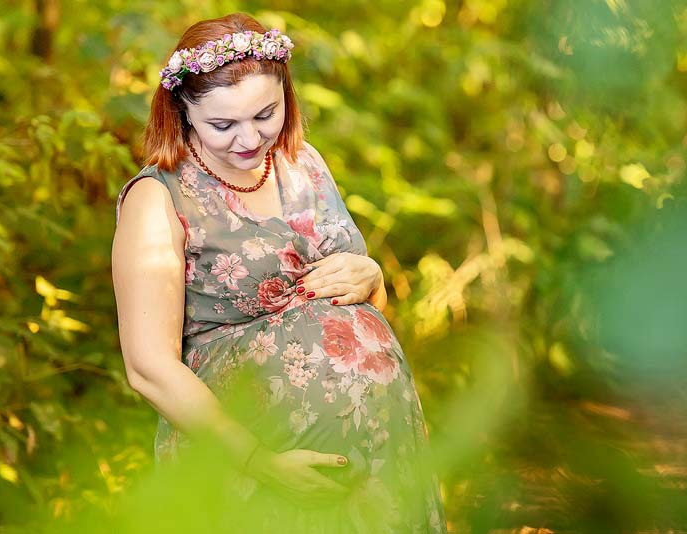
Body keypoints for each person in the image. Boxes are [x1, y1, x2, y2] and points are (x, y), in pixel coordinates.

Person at [111, 12, 447, 533]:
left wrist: (372, 277)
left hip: (378, 459)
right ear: (183, 114)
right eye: (223, 125)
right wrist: (259, 461)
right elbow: (149, 368)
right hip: (250, 457)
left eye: (266, 114)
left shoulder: (304, 163)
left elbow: (360, 306)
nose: (249, 139)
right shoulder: (159, 199)